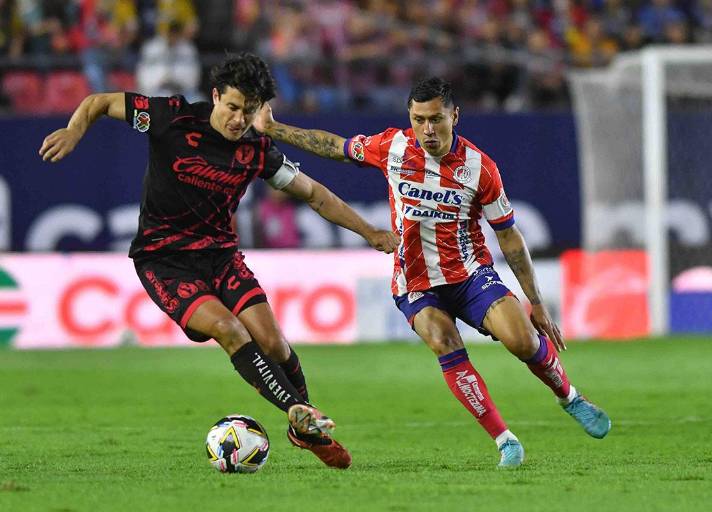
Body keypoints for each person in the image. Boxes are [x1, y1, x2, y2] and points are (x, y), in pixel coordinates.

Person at [38, 53, 399, 469]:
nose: (236, 120)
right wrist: (73, 130)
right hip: (164, 260)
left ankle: (304, 425)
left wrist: (369, 231)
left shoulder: (257, 150)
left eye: (247, 111)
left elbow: (315, 194)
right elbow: (99, 102)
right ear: (214, 97)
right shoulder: (169, 118)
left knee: (275, 344)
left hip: (221, 257)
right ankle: (299, 415)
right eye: (230, 107)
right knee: (229, 329)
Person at [255, 77, 611, 468]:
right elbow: (335, 147)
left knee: (523, 340)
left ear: (454, 116)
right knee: (443, 340)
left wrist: (537, 302)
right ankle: (505, 440)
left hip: (471, 275)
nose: (427, 129)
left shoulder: (480, 167)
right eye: (419, 119)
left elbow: (509, 237)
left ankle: (570, 397)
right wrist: (274, 129)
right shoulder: (392, 146)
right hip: (415, 283)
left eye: (436, 119)